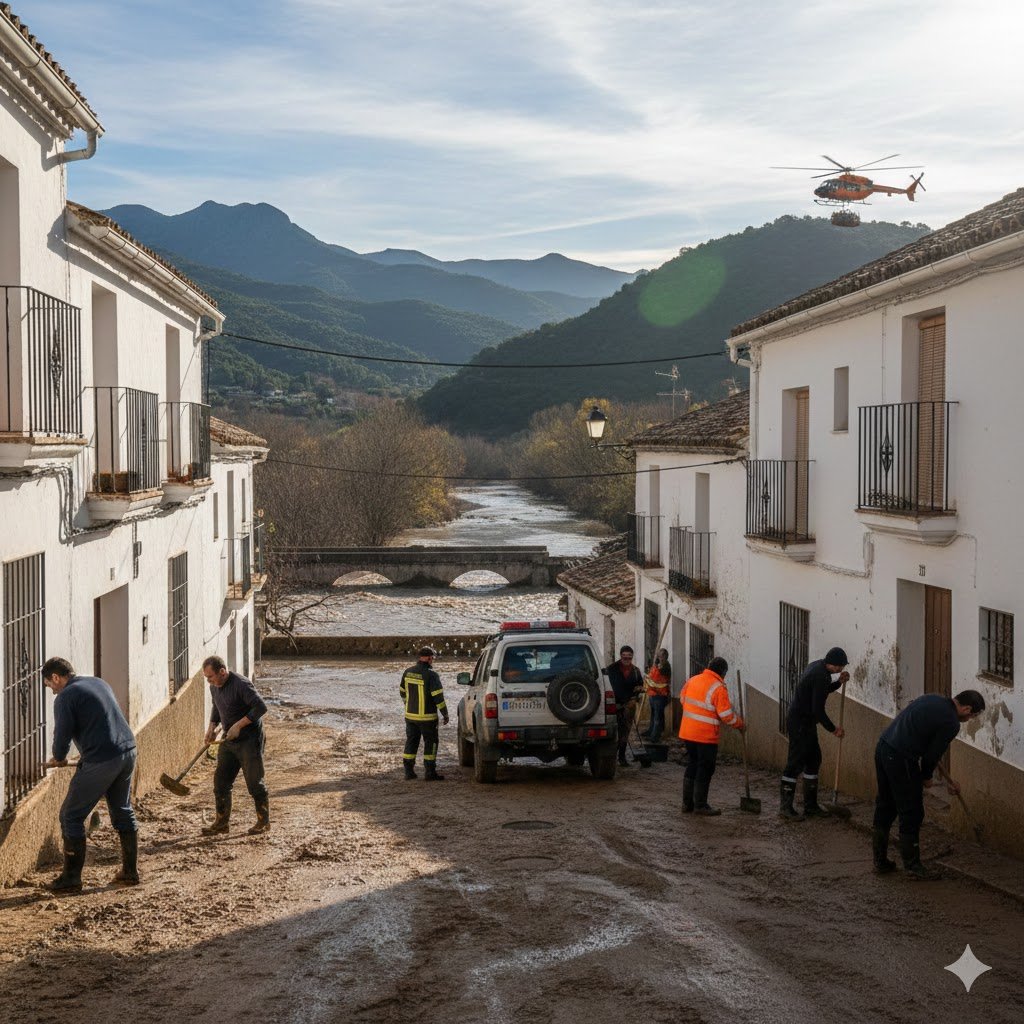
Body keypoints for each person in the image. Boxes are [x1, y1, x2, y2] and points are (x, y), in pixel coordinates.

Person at [41, 657, 139, 893]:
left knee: (70, 816)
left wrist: (58, 756)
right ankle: (130, 872)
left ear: (55, 677)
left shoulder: (65, 697)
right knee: (122, 810)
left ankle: (71, 879)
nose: (52, 691)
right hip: (128, 750)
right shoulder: (97, 682)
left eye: (49, 685)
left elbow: (62, 733)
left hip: (102, 760)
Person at [872, 689, 985, 879]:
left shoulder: (931, 698)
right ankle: (913, 866)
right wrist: (926, 777)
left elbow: (922, 735)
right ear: (966, 709)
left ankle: (880, 861)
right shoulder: (951, 722)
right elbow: (932, 755)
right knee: (912, 812)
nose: (969, 719)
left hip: (884, 747)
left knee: (886, 805)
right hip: (901, 757)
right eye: (972, 716)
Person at [201, 655, 269, 836]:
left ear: (222, 672)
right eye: (206, 677)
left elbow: (261, 707)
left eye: (210, 677)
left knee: (254, 782)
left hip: (250, 739)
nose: (208, 681)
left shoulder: (241, 684)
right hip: (229, 740)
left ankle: (263, 821)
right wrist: (212, 728)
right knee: (221, 782)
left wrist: (239, 725)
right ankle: (221, 823)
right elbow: (217, 706)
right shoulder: (214, 686)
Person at [779, 647, 849, 821]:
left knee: (813, 759)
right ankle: (785, 808)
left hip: (807, 723)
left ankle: (810, 806)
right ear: (833, 664)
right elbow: (818, 710)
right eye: (840, 666)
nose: (841, 669)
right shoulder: (819, 675)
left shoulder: (818, 667)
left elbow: (821, 690)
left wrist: (838, 682)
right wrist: (834, 729)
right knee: (795, 762)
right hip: (799, 722)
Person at [678, 656, 745, 815]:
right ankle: (700, 805)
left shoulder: (693, 680)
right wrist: (740, 724)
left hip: (688, 732)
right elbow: (726, 715)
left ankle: (687, 804)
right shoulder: (718, 688)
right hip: (705, 736)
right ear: (723, 672)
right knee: (705, 767)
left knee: (693, 764)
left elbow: (682, 699)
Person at [400, 646, 449, 780]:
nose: (433, 660)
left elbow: (402, 692)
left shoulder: (407, 672)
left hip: (410, 717)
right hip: (428, 718)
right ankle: (430, 773)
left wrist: (408, 705)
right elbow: (438, 697)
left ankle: (409, 772)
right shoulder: (432, 675)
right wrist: (445, 714)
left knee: (411, 742)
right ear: (429, 658)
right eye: (433, 658)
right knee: (431, 743)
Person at [606, 645, 644, 766]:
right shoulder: (611, 669)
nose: (627, 659)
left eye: (629, 657)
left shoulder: (636, 671)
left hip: (629, 705)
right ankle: (610, 757)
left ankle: (621, 757)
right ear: (621, 656)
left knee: (625, 732)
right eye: (624, 657)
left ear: (632, 657)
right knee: (613, 732)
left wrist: (638, 692)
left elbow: (640, 685)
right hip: (613, 706)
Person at [643, 648, 671, 742]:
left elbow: (656, 676)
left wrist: (655, 667)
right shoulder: (658, 665)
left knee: (657, 717)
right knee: (654, 715)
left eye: (660, 656)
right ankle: (651, 731)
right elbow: (651, 676)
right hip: (653, 693)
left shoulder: (666, 666)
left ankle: (655, 736)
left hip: (660, 694)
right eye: (658, 655)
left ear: (665, 656)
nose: (659, 657)